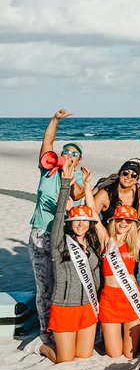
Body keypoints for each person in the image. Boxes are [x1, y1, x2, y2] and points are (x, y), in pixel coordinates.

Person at [42, 160, 107, 364]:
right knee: (65, 359)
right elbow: (60, 216)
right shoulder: (60, 244)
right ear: (70, 224)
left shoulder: (94, 246)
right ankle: (42, 346)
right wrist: (65, 184)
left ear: (89, 224)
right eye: (75, 221)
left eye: (84, 221)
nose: (79, 224)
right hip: (64, 306)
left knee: (84, 355)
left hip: (88, 306)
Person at [29, 109, 85, 341]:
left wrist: (69, 177)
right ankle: (45, 329)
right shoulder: (48, 169)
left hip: (63, 236)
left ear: (79, 160)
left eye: (74, 153)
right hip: (41, 232)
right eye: (66, 151)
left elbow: (79, 193)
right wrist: (54, 120)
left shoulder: (77, 176)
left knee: (61, 281)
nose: (69, 154)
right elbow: (47, 141)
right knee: (44, 284)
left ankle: (60, 324)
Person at [100, 199, 140, 359]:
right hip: (109, 299)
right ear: (113, 221)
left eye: (128, 220)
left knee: (129, 354)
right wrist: (87, 185)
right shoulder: (106, 240)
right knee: (113, 354)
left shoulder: (135, 242)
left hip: (130, 299)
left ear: (133, 224)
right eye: (119, 219)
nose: (123, 223)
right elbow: (93, 214)